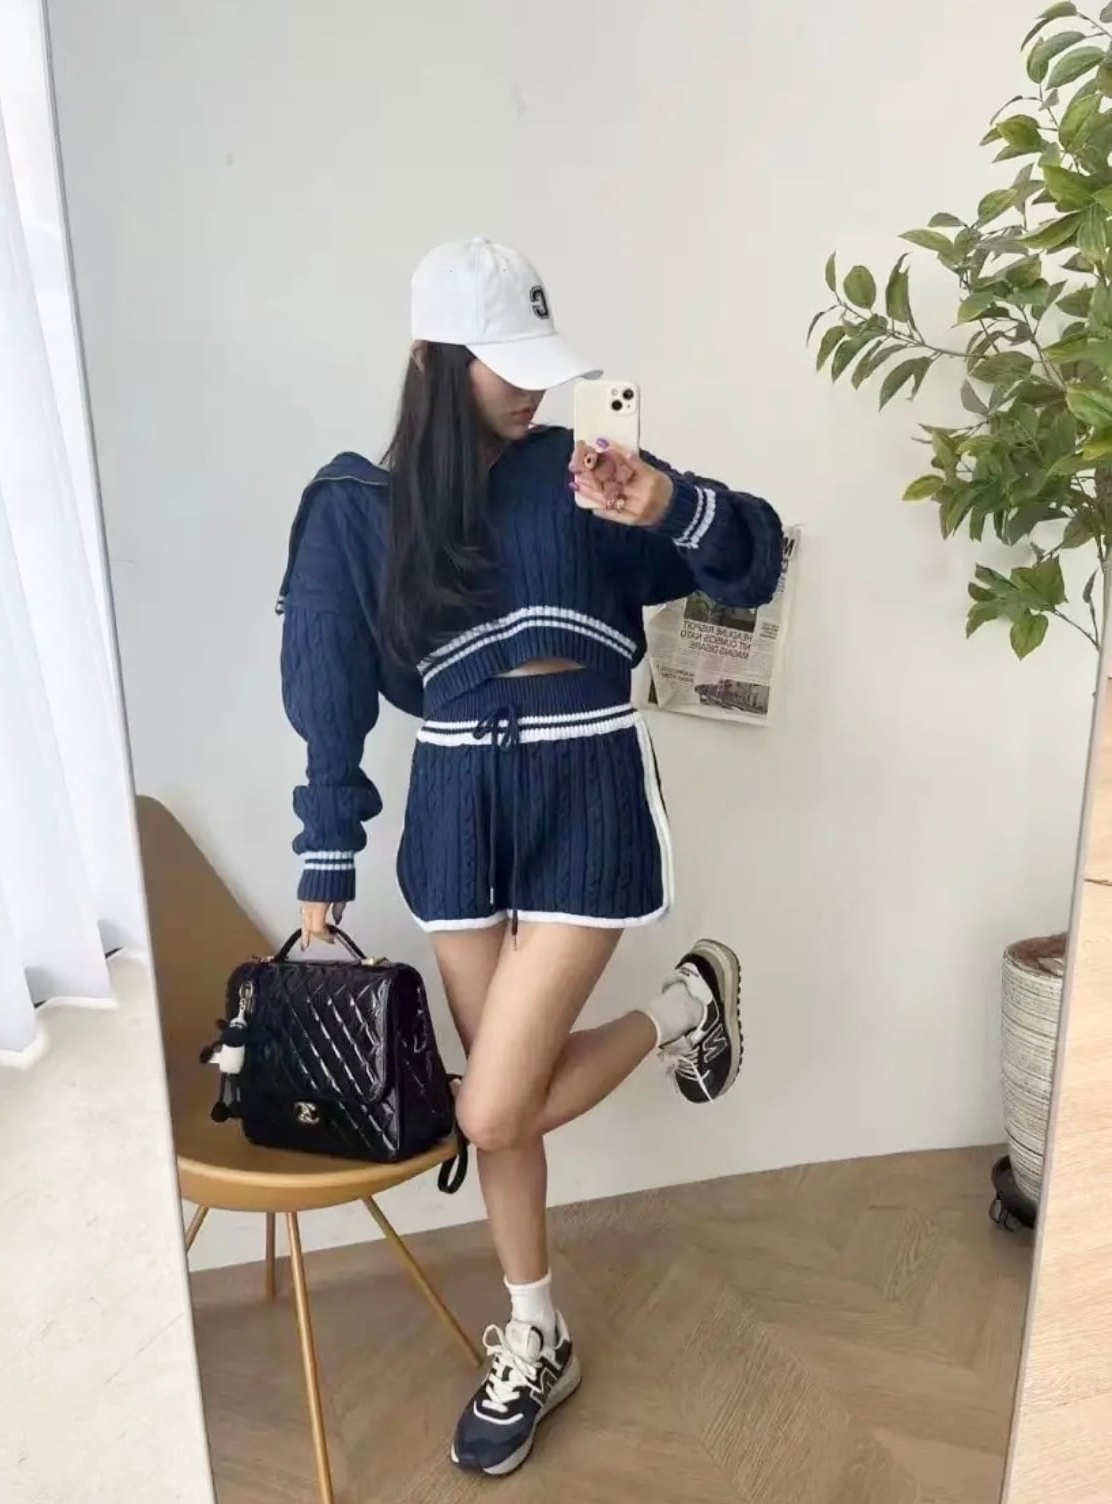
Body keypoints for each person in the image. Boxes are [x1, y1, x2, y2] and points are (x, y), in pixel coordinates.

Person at [278, 238, 783, 1477]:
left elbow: (757, 560)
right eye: (505, 364)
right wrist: (326, 858)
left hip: (585, 788)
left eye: (538, 363)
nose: (532, 389)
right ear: (430, 361)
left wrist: (666, 504)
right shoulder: (358, 507)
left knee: (491, 1105)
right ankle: (536, 1328)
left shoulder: (583, 475)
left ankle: (684, 1005)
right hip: (454, 804)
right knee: (501, 1122)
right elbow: (329, 692)